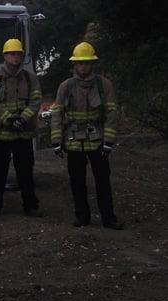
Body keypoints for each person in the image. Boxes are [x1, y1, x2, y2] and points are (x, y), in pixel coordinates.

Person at [50, 42, 123, 230]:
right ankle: (82, 216)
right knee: (77, 181)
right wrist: (57, 141)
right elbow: (57, 114)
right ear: (75, 64)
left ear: (93, 64)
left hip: (97, 142)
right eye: (80, 63)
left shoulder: (103, 85)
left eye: (87, 62)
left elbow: (112, 113)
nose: (83, 66)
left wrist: (108, 141)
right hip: (74, 143)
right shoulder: (65, 86)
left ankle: (109, 218)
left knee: (102, 181)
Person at [0, 38, 43, 218]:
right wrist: (9, 119)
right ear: (5, 56)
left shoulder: (30, 78)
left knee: (25, 172)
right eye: (12, 54)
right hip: (1, 135)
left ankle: (30, 206)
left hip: (23, 134)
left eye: (18, 54)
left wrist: (23, 119)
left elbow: (36, 101)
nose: (15, 57)